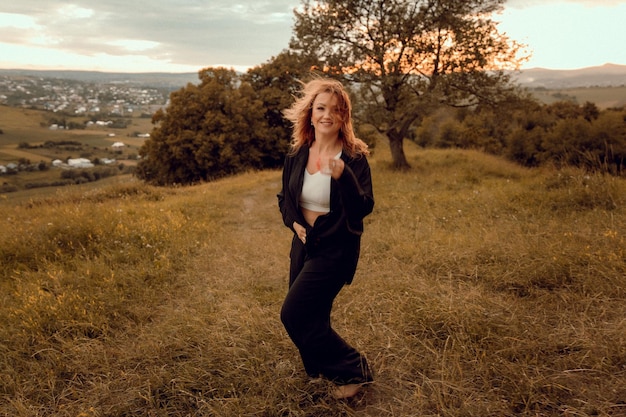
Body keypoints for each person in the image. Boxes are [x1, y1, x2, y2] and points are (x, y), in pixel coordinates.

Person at [277, 78, 374, 399]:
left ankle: (354, 369)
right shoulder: (297, 154)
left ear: (344, 116)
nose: (326, 115)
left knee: (292, 313)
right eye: (320, 108)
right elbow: (285, 200)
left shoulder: (354, 158)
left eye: (335, 109)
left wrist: (342, 175)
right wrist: (294, 224)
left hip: (335, 250)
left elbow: (362, 207)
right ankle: (320, 370)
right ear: (310, 113)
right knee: (313, 315)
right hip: (303, 246)